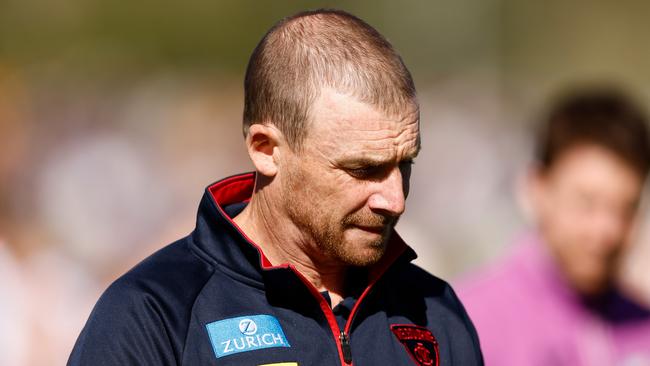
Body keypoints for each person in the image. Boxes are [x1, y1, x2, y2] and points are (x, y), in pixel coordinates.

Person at [68, 9, 483, 366]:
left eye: (404, 165)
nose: (394, 200)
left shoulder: (434, 312)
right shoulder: (153, 314)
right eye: (362, 170)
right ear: (266, 150)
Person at [457, 87, 650, 365]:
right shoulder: (467, 323)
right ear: (536, 188)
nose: (607, 230)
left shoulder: (641, 327)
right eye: (587, 202)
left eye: (626, 208)